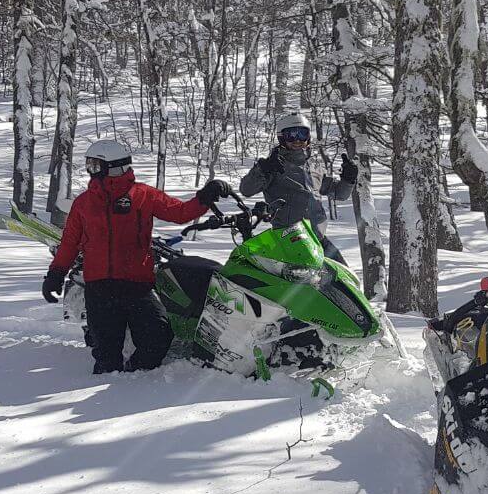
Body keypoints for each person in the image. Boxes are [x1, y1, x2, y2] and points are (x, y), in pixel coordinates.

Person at [41, 139, 233, 374]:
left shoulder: (143, 195)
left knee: (158, 337)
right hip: (99, 287)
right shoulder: (84, 203)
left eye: (95, 165)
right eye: (89, 164)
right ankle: (104, 395)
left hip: (136, 284)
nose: (91, 170)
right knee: (106, 355)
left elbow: (180, 213)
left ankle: (135, 380)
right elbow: (70, 243)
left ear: (114, 167)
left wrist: (205, 197)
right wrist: (55, 274)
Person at [239, 111, 357, 263]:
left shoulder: (313, 166)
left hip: (317, 238)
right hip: (290, 241)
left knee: (345, 281)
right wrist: (262, 169)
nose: (297, 140)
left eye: (301, 134)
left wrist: (348, 179)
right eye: (291, 135)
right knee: (308, 286)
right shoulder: (274, 166)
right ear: (282, 138)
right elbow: (246, 189)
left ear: (308, 137)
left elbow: (338, 193)